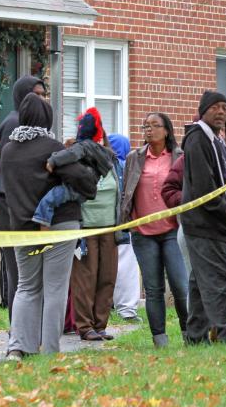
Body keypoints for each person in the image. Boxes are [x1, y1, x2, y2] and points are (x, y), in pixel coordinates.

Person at [1, 93, 97, 358]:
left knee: (26, 287)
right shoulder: (51, 146)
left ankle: (18, 348)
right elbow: (86, 184)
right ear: (47, 118)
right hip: (60, 225)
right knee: (55, 288)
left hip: (22, 229)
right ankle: (50, 351)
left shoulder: (7, 150)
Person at [179, 91, 226, 344]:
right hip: (205, 224)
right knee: (218, 279)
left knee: (199, 282)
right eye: (215, 107)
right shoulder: (197, 139)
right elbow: (204, 188)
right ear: (203, 110)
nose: (221, 112)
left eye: (225, 108)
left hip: (217, 225)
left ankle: (195, 337)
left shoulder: (216, 142)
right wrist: (222, 216)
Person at [121, 113, 187, 348]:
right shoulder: (134, 158)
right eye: (145, 126)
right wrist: (126, 218)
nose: (149, 130)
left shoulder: (179, 157)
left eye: (155, 126)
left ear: (167, 130)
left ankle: (190, 333)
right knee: (153, 288)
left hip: (173, 229)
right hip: (142, 231)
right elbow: (126, 190)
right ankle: (160, 339)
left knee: (180, 284)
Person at [0, 75, 45, 320]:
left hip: (17, 203)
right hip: (10, 204)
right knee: (19, 271)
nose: (42, 100)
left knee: (25, 271)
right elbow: (12, 170)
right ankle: (19, 329)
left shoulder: (24, 123)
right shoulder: (15, 124)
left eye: (44, 94)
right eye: (36, 94)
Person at [68, 108, 123, 342]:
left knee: (107, 277)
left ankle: (100, 325)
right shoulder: (75, 156)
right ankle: (85, 326)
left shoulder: (110, 160)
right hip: (85, 228)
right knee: (85, 279)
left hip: (109, 228)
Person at [31, 110, 114, 228]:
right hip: (85, 191)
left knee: (48, 200)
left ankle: (42, 223)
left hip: (73, 188)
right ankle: (78, 228)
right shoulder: (99, 150)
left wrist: (52, 161)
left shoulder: (83, 146)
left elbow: (71, 154)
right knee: (75, 206)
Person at [108, 133, 141, 324]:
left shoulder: (104, 167)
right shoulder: (128, 167)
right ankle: (127, 308)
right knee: (127, 268)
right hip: (126, 226)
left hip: (104, 225)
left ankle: (108, 305)